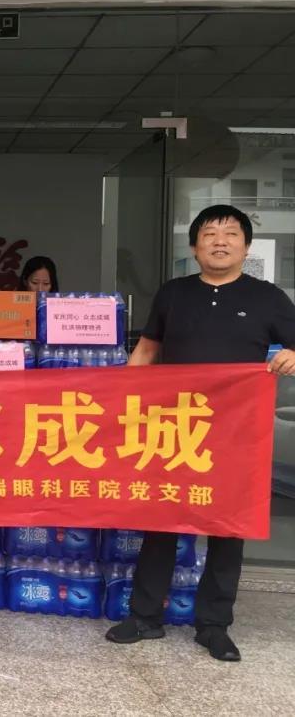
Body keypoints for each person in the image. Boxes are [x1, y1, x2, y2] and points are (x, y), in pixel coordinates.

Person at [105, 204, 295, 661]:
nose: (220, 241)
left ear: (246, 246)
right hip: (174, 429)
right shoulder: (174, 294)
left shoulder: (268, 297)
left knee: (228, 528)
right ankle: (145, 616)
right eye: (209, 234)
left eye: (231, 234)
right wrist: (119, 401)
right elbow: (146, 351)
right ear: (194, 247)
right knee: (161, 521)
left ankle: (214, 625)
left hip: (236, 435)